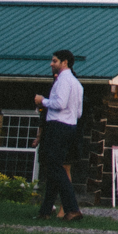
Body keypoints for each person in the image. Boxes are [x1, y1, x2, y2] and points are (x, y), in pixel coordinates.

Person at [33, 49, 85, 222]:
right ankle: (45, 210)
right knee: (54, 168)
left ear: (64, 63)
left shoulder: (63, 80)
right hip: (70, 127)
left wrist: (42, 101)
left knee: (55, 168)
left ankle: (72, 208)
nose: (51, 64)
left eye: (54, 61)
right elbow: (78, 113)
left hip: (58, 126)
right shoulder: (77, 84)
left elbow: (60, 103)